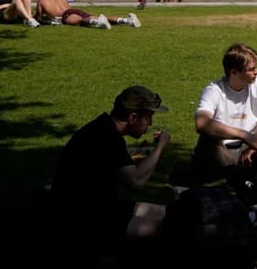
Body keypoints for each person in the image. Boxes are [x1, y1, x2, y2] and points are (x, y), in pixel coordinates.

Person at [49, 86, 172, 242]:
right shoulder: (109, 139)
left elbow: (112, 166)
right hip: (86, 223)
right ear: (133, 118)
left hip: (93, 209)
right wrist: (160, 147)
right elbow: (136, 182)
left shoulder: (102, 127)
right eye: (148, 117)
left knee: (171, 214)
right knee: (172, 228)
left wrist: (136, 157)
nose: (150, 123)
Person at [188, 43, 257, 204]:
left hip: (247, 151)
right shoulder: (214, 90)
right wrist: (244, 135)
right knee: (210, 136)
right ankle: (240, 187)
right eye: (251, 69)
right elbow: (201, 123)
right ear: (234, 72)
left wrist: (254, 143)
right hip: (219, 154)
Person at [37, 0, 139, 28]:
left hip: (66, 16)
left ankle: (96, 21)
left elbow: (38, 18)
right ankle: (126, 20)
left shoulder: (42, 1)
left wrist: (47, 19)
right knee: (95, 17)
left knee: (81, 21)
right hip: (75, 11)